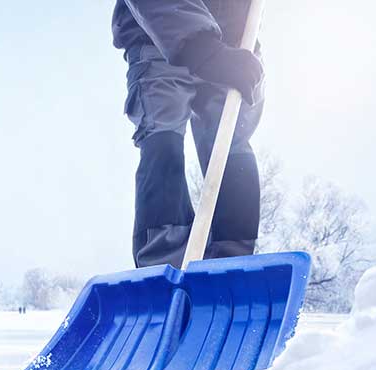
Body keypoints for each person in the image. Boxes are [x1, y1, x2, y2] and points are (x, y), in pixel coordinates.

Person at [112, 0, 265, 268]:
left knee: (230, 142)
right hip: (159, 33)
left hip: (236, 40)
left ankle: (231, 268)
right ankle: (164, 265)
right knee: (163, 134)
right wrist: (201, 48)